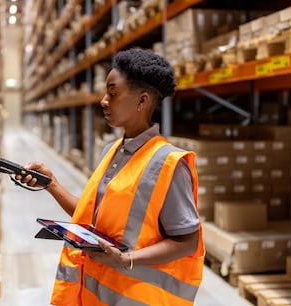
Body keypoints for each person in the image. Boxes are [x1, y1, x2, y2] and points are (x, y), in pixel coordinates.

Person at [18, 48, 204, 305]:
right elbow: (92, 218)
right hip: (99, 294)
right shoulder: (112, 151)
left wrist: (126, 260)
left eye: (113, 93)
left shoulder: (169, 164)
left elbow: (187, 242)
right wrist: (52, 185)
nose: (103, 100)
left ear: (142, 101)